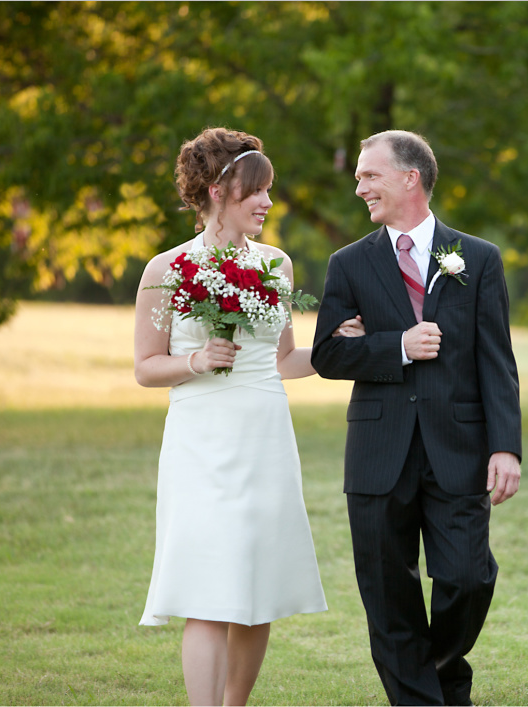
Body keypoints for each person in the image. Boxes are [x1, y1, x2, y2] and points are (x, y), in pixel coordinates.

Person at [133, 127, 363, 706]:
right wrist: (195, 359)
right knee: (208, 586)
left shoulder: (276, 265)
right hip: (201, 441)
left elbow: (283, 360)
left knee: (257, 587)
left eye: (268, 191)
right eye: (256, 191)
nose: (266, 203)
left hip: (265, 437)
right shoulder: (167, 269)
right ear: (216, 190)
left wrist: (346, 347)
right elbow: (145, 366)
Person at [311, 130, 523, 706]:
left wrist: (506, 447)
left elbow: (497, 360)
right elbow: (328, 354)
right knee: (386, 590)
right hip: (379, 451)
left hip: (460, 448)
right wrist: (395, 345)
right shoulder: (349, 264)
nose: (359, 187)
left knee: (467, 578)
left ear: (411, 178)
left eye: (369, 175)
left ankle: (442, 668)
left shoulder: (477, 259)